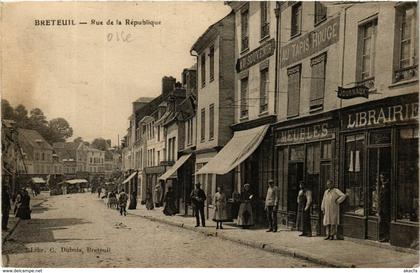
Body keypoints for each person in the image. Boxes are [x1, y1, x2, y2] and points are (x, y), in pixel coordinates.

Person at [379, 173, 391, 242]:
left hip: (386, 208)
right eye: (381, 178)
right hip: (382, 208)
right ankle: (384, 237)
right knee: (382, 223)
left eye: (383, 178)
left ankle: (388, 237)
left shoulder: (387, 186)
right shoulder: (382, 186)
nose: (382, 180)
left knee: (387, 222)